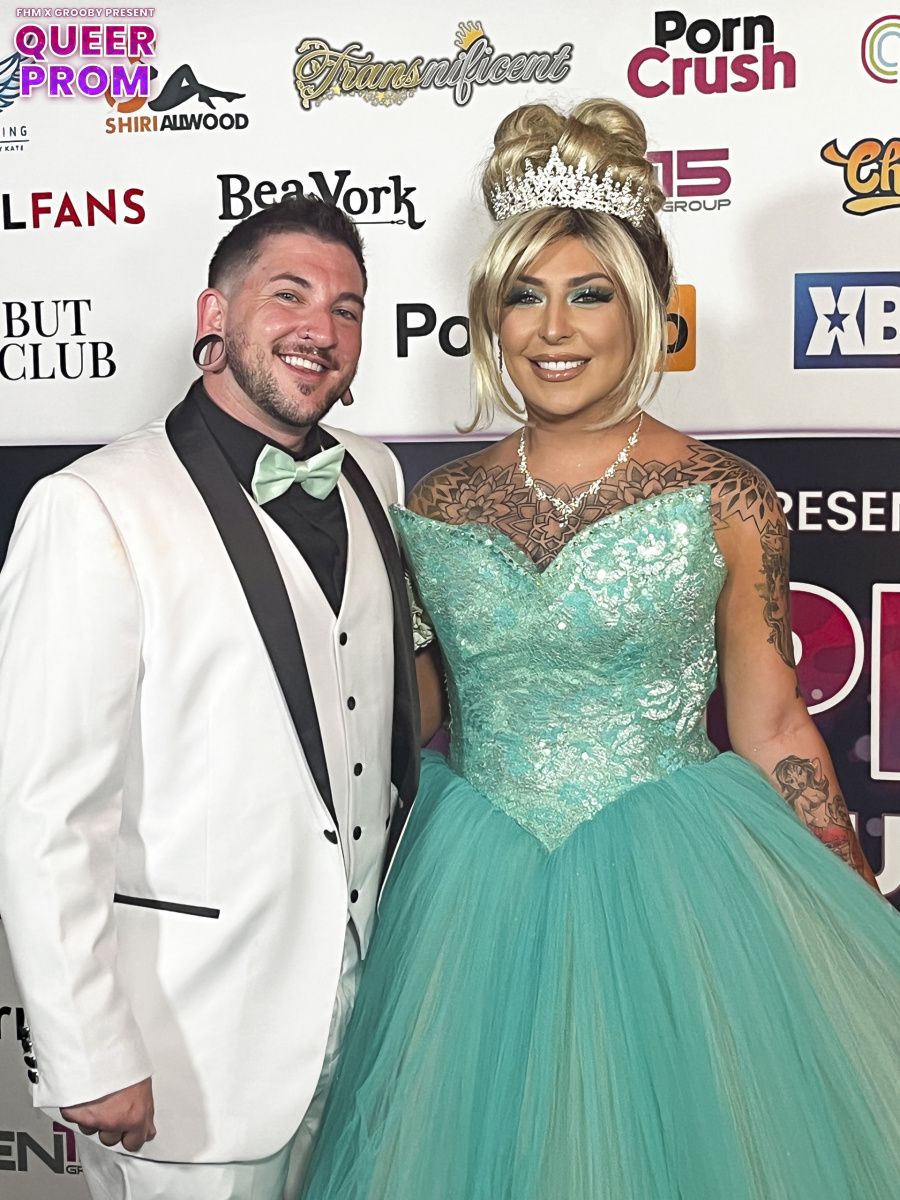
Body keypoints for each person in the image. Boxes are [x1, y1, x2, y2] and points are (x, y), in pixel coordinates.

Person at [299, 100, 900, 1200]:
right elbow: (406, 715)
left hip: (676, 878)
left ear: (645, 310)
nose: (553, 329)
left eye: (589, 294)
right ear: (491, 317)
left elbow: (772, 722)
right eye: (524, 295)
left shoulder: (727, 497)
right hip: (469, 890)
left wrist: (852, 910)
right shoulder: (434, 504)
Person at [0, 195, 418, 1200]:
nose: (321, 329)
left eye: (348, 308)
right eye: (290, 296)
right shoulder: (91, 507)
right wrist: (89, 1048)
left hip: (375, 1026)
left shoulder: (376, 476)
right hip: (192, 1044)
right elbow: (44, 807)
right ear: (214, 316)